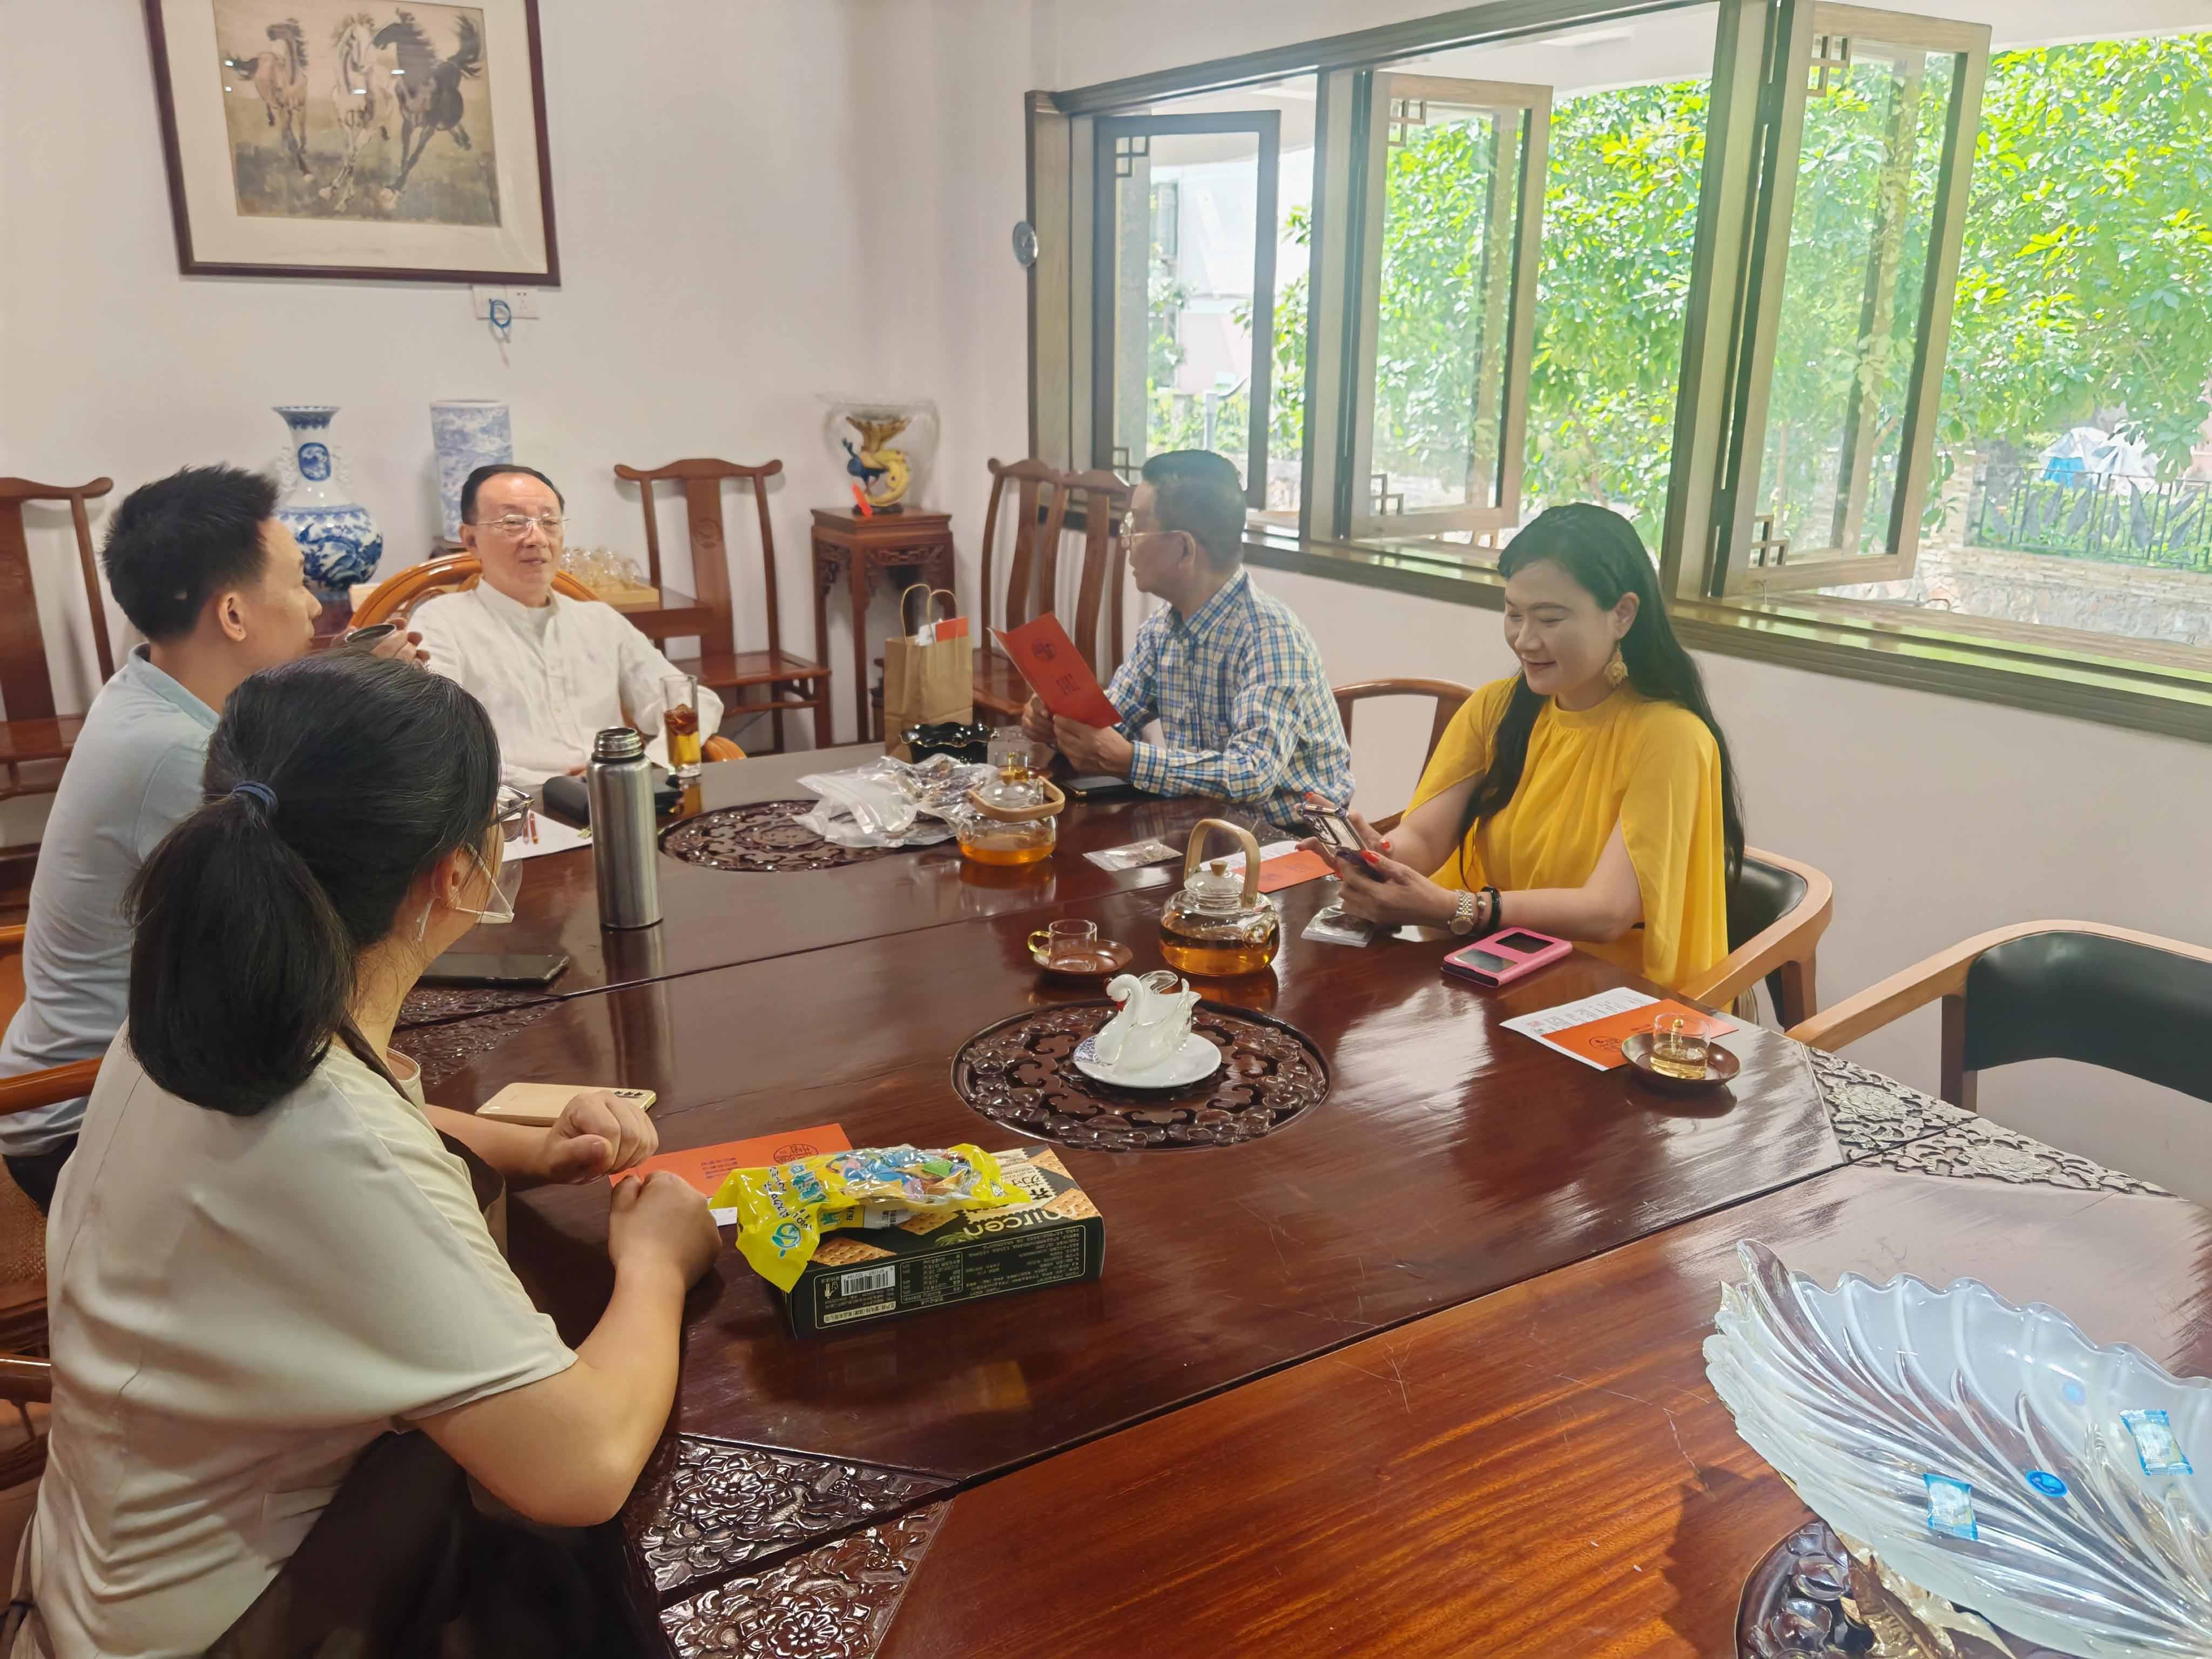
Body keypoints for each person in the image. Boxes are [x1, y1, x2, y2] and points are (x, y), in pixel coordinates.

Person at [27, 652, 719, 1655]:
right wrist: (657, 1259)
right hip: (220, 1623)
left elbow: (306, 1160)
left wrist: (520, 1145)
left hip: (96, 1561)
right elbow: (582, 1466)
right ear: (455, 874)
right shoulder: (328, 1142)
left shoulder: (197, 1002)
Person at [0, 465, 420, 1212]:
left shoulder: (153, 689)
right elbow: (315, 913)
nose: (315, 607)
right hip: (89, 1118)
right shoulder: (168, 754)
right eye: (296, 584)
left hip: (151, 1062)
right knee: (397, 1160)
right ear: (232, 614)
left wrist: (348, 676)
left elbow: (270, 726)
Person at [1305, 504, 1742, 993]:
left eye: (1550, 619)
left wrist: (1460, 908)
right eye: (1513, 614)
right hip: (1498, 978)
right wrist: (1375, 855)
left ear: (1623, 614)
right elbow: (1425, 841)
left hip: (1613, 1001)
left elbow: (1608, 912)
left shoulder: (1670, 737)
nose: (1525, 640)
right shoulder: (1496, 708)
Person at [1020, 450, 1351, 828]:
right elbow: (1111, 723)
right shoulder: (1162, 629)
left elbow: (1254, 773)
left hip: (1292, 842)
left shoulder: (1270, 637)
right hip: (1207, 824)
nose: (1125, 541)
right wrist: (1057, 724)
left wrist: (1130, 760)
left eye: (1137, 525)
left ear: (1183, 548)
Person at [414, 463, 724, 788]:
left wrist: (649, 764)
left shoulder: (599, 622)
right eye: (513, 523)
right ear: (471, 539)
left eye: (549, 522)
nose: (536, 538)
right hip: (511, 817)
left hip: (618, 798)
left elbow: (694, 702)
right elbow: (438, 745)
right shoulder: (439, 624)